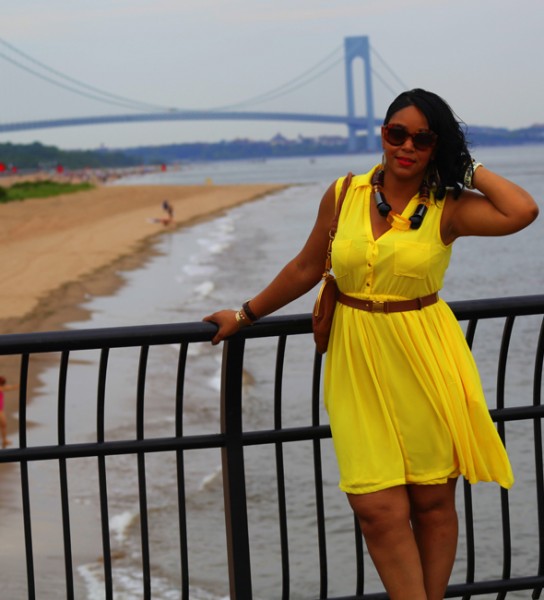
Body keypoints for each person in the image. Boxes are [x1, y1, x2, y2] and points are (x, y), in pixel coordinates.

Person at [203, 89, 539, 600]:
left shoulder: (446, 206)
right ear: (382, 134)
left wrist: (465, 167)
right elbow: (305, 267)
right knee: (376, 507)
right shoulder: (345, 194)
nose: (406, 146)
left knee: (431, 501)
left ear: (436, 147)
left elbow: (523, 211)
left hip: (426, 357)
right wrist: (245, 314)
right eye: (396, 133)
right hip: (356, 360)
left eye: (423, 139)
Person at [0, 375, 18, 449]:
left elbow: (9, 387)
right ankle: (4, 440)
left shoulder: (2, 388)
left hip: (1, 409)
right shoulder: (1, 388)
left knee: (4, 424)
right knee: (4, 424)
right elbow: (10, 387)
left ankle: (4, 440)